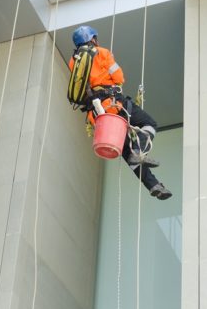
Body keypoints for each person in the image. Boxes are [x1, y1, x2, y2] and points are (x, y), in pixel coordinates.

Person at [68, 25, 172, 200]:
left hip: (97, 115)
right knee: (149, 124)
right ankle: (139, 151)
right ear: (92, 38)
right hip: (114, 105)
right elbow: (119, 77)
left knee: (125, 151)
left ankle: (154, 185)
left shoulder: (74, 62)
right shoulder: (101, 52)